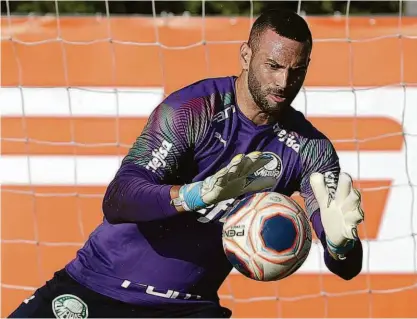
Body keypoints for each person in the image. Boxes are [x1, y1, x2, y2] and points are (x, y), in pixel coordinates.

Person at [9, 8, 364, 318]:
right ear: (245, 55)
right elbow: (118, 199)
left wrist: (340, 246)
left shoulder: (310, 149)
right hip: (98, 287)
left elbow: (347, 268)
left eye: (296, 70)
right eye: (272, 66)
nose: (283, 82)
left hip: (189, 308)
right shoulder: (194, 110)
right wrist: (201, 193)